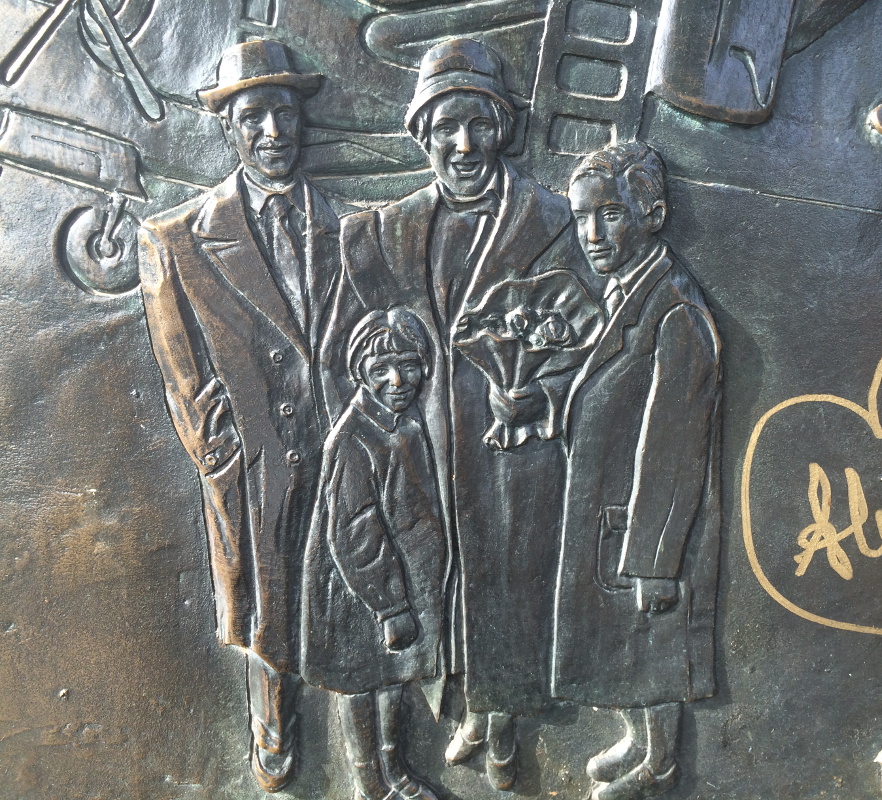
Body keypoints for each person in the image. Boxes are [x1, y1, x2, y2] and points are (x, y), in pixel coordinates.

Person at [338, 37, 588, 791]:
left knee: (512, 585)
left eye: (480, 124)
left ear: (504, 128)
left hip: (518, 452)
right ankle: (460, 706)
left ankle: (505, 723)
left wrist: (542, 393)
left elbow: (590, 340)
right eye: (446, 126)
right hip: (424, 450)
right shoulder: (377, 235)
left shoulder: (555, 220)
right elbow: (357, 346)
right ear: (422, 134)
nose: (464, 144)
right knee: (435, 581)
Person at [138, 40, 349, 792]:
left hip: (343, 444)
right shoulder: (175, 240)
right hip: (256, 460)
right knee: (267, 601)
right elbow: (182, 377)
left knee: (352, 585)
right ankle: (271, 724)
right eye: (253, 116)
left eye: (284, 113)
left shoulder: (354, 225)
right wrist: (223, 457)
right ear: (228, 127)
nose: (272, 131)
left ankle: (369, 744)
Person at [553, 142, 722, 800]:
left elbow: (675, 445)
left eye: (610, 214)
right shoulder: (628, 293)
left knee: (653, 641)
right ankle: (638, 740)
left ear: (652, 214)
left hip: (646, 526)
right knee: (625, 642)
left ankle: (661, 764)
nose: (592, 234)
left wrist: (655, 561)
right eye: (581, 217)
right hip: (613, 513)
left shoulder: (673, 309)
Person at [301, 308, 446, 800]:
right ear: (360, 373)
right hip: (361, 594)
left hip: (398, 584)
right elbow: (354, 532)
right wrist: (391, 606)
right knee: (360, 685)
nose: (397, 380)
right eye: (381, 369)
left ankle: (394, 770)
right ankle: (368, 783)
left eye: (408, 365)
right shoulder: (353, 438)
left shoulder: (404, 425)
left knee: (392, 679)